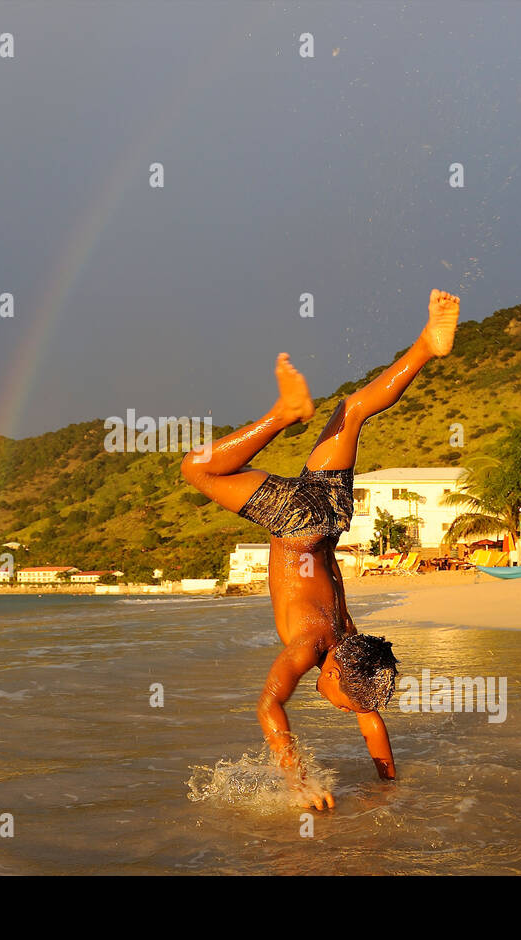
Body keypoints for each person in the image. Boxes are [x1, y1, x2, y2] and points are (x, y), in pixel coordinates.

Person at [180, 289, 460, 809]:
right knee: (195, 469)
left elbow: (370, 717)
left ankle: (425, 346)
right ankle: (285, 413)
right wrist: (298, 782)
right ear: (332, 672)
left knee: (351, 411)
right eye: (338, 700)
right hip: (298, 526)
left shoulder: (353, 644)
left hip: (331, 517)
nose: (338, 708)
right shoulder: (312, 646)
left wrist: (389, 785)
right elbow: (268, 705)